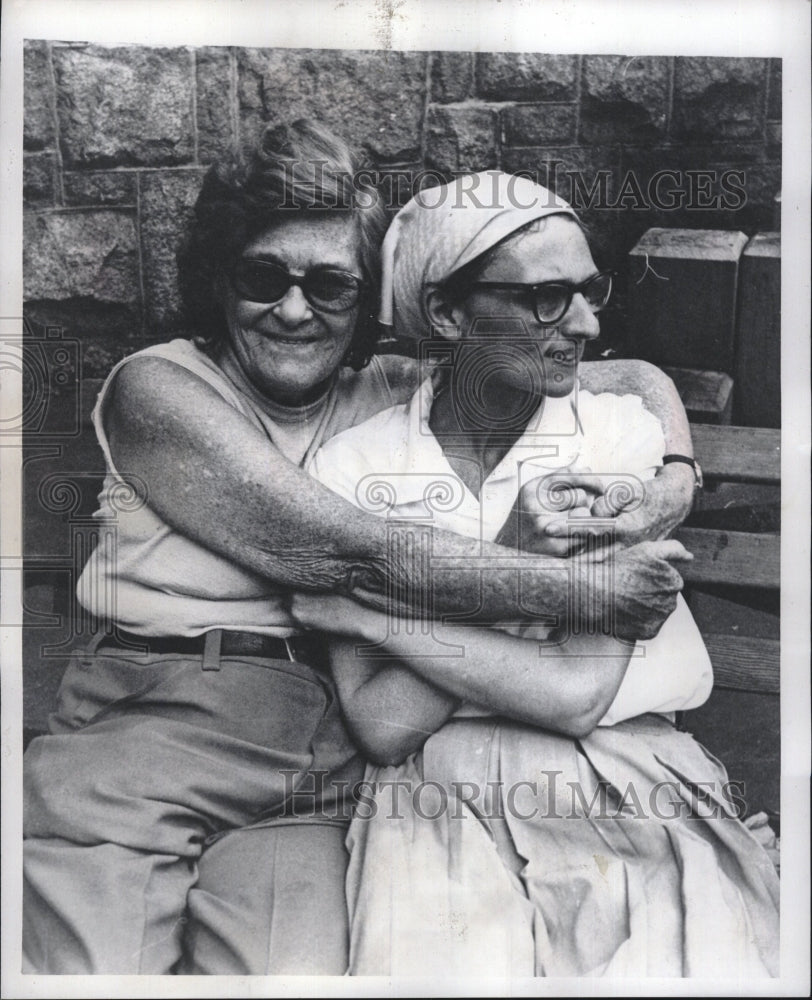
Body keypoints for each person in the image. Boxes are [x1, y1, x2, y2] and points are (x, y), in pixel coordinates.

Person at [23, 122, 696, 975]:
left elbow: (630, 378)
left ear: (364, 296)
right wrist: (579, 593)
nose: (295, 310)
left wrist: (674, 477)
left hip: (318, 761)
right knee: (95, 975)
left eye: (330, 285)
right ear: (218, 278)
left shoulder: (382, 393)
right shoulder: (160, 388)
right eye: (263, 277)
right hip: (150, 723)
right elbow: (343, 555)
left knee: (292, 979)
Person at [292, 172, 781, 978]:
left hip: (621, 774)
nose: (586, 325)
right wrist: (521, 565)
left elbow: (575, 694)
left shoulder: (615, 441)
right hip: (430, 796)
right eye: (547, 298)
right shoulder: (357, 465)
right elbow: (383, 726)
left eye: (590, 292)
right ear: (449, 314)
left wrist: (385, 622)